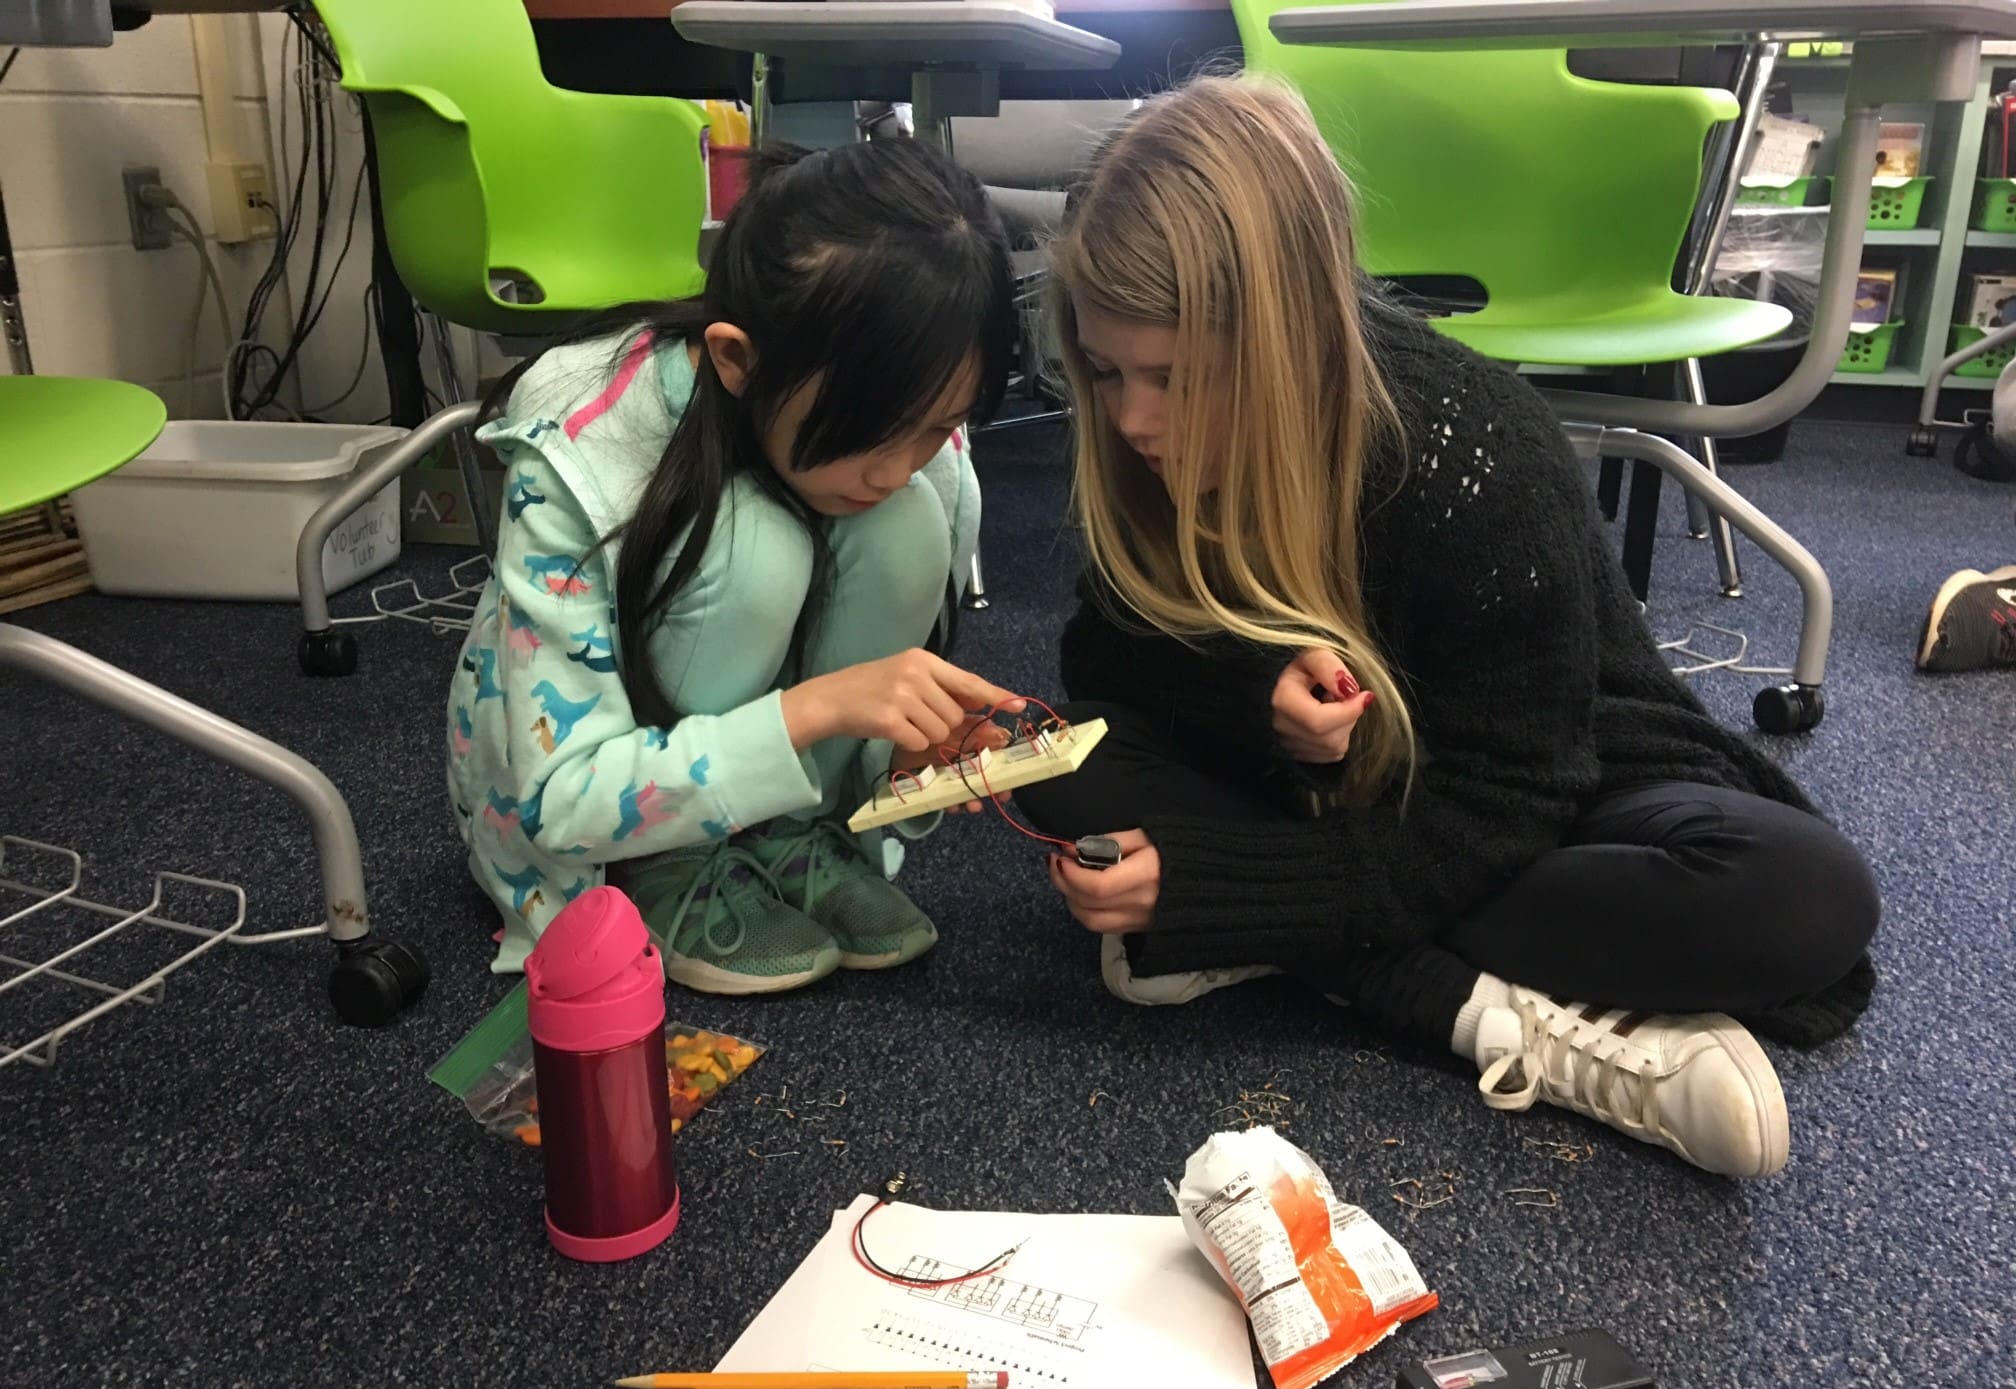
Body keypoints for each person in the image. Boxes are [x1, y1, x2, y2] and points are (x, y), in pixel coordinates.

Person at [1017, 77, 1881, 1179]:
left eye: (1177, 381)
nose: (1134, 418)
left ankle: (1353, 970)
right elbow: (1106, 655)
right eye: (1103, 372)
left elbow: (1517, 792)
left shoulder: (1480, 451)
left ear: (1287, 347)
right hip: (1312, 801)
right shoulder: (1139, 445)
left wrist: (1222, 890)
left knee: (1801, 895)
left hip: (1543, 787)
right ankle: (1491, 1008)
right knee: (1055, 759)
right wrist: (1250, 690)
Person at [448, 139, 1023, 991]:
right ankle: (669, 866)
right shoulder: (583, 448)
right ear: (735, 360)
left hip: (751, 741)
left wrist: (892, 763)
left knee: (907, 529)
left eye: (937, 426)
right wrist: (814, 709)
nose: (898, 466)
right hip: (585, 811)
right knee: (757, 548)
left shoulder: (906, 436)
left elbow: (885, 515)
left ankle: (794, 835)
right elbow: (557, 799)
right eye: (871, 429)